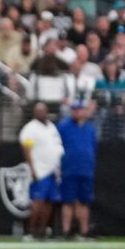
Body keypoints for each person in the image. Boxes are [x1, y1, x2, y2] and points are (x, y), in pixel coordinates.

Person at [17, 102, 62, 241]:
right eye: (39, 111)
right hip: (40, 170)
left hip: (52, 170)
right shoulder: (30, 128)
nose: (42, 113)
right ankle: (31, 231)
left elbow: (56, 145)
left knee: (49, 202)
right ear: (34, 113)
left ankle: (42, 231)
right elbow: (26, 149)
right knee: (38, 202)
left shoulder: (51, 126)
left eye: (43, 111)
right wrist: (33, 169)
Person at [55, 100, 98, 239]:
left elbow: (93, 146)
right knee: (68, 201)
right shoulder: (63, 127)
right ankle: (66, 230)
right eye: (74, 110)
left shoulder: (90, 128)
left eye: (79, 109)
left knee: (85, 201)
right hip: (69, 170)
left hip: (86, 170)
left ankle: (84, 230)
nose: (77, 112)